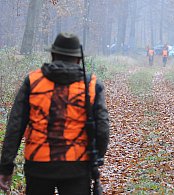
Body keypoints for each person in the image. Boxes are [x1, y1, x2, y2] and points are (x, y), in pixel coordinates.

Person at [0, 32, 110, 194]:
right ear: (78, 59)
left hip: (38, 165)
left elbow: (15, 126)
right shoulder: (92, 85)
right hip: (77, 166)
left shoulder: (32, 81)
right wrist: (97, 158)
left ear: (53, 55)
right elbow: (102, 128)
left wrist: (6, 167)